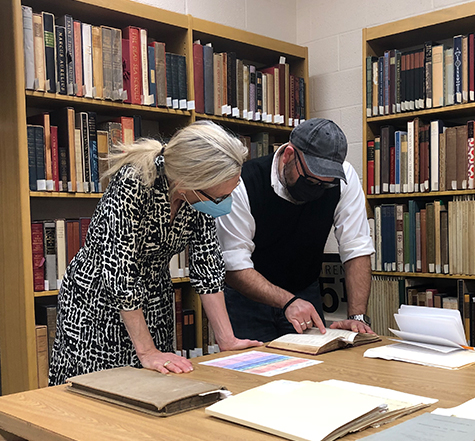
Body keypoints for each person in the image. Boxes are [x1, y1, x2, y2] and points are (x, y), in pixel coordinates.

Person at [49, 121, 262, 386]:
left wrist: (227, 339)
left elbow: (208, 264)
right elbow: (120, 272)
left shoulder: (198, 197)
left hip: (154, 299)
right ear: (187, 182)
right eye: (221, 197)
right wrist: (147, 351)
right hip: (99, 302)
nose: (225, 203)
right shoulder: (135, 181)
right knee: (102, 393)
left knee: (157, 387)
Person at [216, 118, 375, 343]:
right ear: (289, 155)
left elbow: (356, 248)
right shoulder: (243, 184)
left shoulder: (343, 180)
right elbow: (233, 264)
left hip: (304, 291)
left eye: (325, 184)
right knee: (253, 372)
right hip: (247, 299)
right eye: (311, 179)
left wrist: (357, 316)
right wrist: (287, 301)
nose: (317, 189)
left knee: (314, 368)